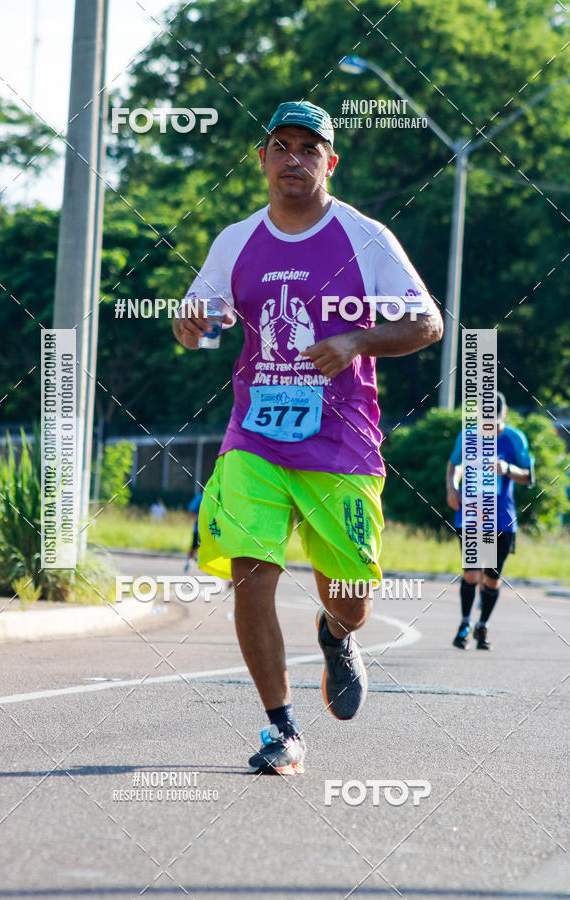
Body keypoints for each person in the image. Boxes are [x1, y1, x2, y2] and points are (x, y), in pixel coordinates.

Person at [173, 100, 443, 775]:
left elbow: (427, 323)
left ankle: (335, 633)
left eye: (308, 148)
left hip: (341, 440)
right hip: (255, 436)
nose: (293, 158)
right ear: (262, 159)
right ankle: (281, 729)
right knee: (250, 573)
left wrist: (356, 338)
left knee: (348, 594)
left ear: (330, 161)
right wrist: (193, 322)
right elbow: (203, 314)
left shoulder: (366, 237)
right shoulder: (236, 241)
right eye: (281, 146)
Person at [447, 392, 534, 651]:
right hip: (471, 514)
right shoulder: (468, 436)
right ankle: (464, 624)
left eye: (493, 423)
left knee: (492, 578)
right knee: (472, 572)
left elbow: (529, 476)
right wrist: (452, 489)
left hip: (501, 518)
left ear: (502, 415)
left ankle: (482, 624)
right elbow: (454, 465)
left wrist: (507, 469)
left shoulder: (515, 438)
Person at [184, 492, 203, 573]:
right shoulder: (200, 497)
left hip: (212, 530)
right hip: (198, 529)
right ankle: (188, 562)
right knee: (194, 547)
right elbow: (190, 511)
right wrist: (201, 519)